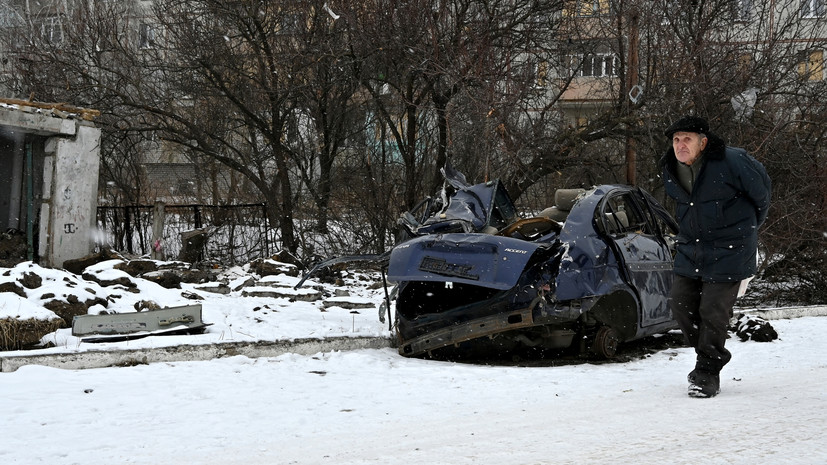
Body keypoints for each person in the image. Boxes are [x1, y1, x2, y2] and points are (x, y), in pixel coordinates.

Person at [660, 115, 771, 398]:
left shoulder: (732, 161)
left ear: (703, 142)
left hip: (730, 249)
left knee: (712, 310)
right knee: (680, 302)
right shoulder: (670, 167)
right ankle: (709, 354)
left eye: (687, 139)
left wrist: (745, 231)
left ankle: (707, 371)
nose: (680, 145)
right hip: (691, 247)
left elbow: (762, 195)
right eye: (676, 139)